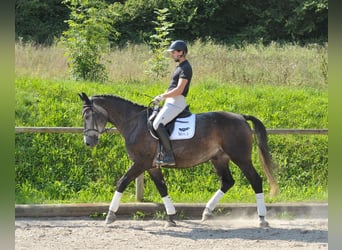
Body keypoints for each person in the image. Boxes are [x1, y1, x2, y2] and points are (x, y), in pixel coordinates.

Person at [152, 40, 193, 166]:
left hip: (177, 102)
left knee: (157, 124)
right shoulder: (179, 67)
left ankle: (169, 156)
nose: (172, 55)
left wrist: (163, 96)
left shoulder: (186, 68)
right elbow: (171, 87)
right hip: (171, 101)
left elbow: (179, 89)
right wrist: (160, 98)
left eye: (174, 52)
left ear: (181, 52)